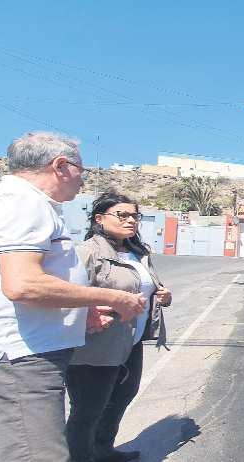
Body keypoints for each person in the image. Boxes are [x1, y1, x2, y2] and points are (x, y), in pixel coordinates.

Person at [0, 132, 146, 462]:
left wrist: (83, 309)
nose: (82, 179)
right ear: (60, 166)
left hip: (20, 353)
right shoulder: (23, 203)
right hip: (24, 358)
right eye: (80, 170)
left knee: (4, 448)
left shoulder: (17, 201)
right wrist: (113, 297)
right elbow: (23, 284)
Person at [66, 191, 172, 462]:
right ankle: (79, 457)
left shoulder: (139, 253)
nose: (131, 220)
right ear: (99, 219)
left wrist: (163, 295)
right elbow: (67, 294)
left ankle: (103, 451)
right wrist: (88, 310)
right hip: (96, 346)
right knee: (88, 410)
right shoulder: (87, 252)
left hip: (130, 342)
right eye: (122, 215)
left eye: (135, 216)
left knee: (121, 398)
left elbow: (148, 287)